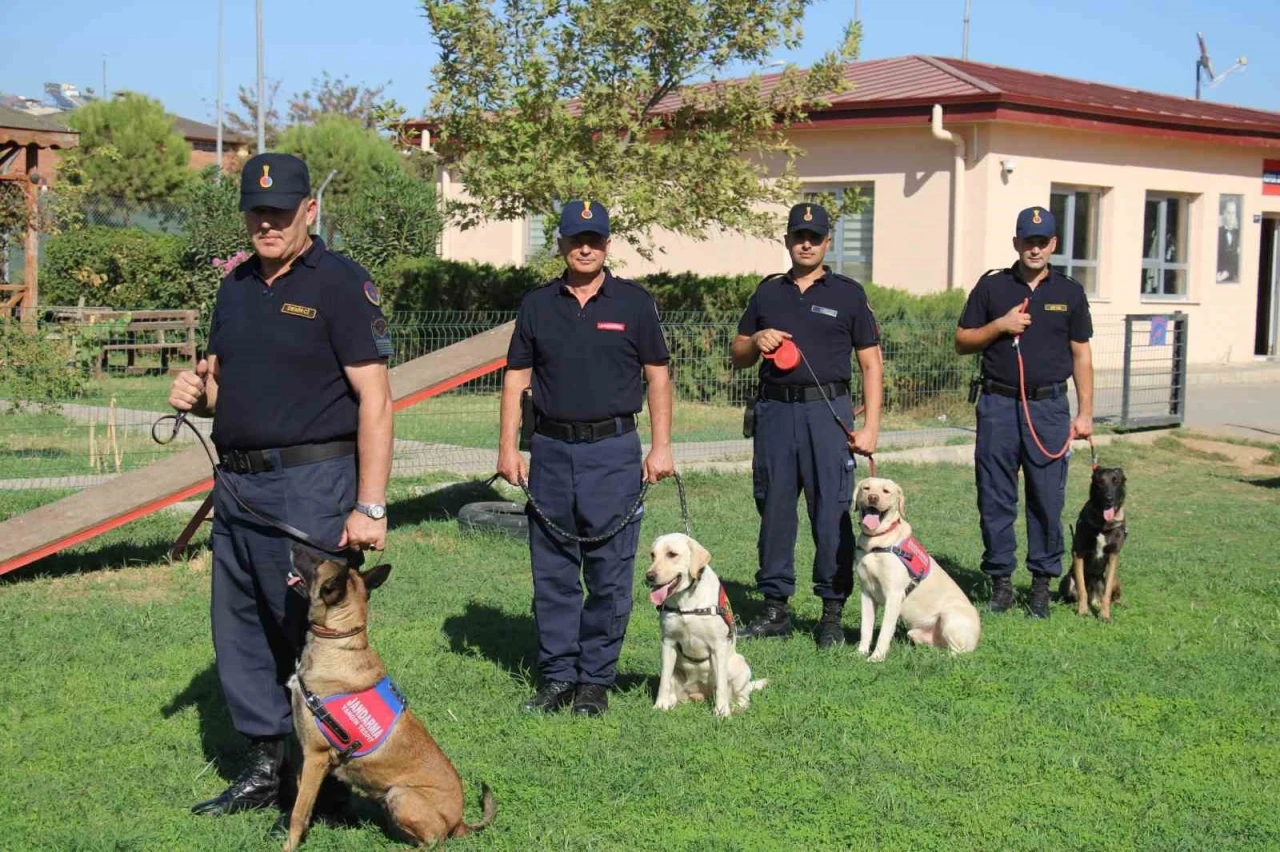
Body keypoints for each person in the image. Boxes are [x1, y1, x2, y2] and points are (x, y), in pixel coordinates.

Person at [168, 153, 394, 815]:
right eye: (256, 212)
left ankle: (339, 778)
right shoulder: (235, 287)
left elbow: (375, 401)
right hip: (237, 486)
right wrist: (197, 394)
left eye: (280, 212)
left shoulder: (341, 284)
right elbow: (222, 388)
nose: (267, 223)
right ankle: (268, 769)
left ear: (309, 212)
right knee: (240, 631)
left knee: (314, 631)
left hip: (312, 484)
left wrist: (369, 505)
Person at [496, 200, 675, 717]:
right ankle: (557, 676)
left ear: (607, 244)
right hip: (549, 450)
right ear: (560, 244)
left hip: (613, 451)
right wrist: (508, 447)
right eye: (576, 238)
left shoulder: (634, 304)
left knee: (610, 573)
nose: (585, 247)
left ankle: (595, 681)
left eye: (594, 239)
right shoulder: (536, 305)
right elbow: (515, 378)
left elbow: (658, 376)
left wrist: (660, 447)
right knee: (552, 571)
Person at [730, 202, 883, 648]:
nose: (806, 243)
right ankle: (775, 609)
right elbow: (738, 353)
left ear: (827, 243)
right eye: (799, 235)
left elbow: (871, 364)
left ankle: (831, 612)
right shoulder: (768, 293)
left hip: (827, 413)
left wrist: (870, 426)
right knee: (774, 510)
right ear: (787, 240)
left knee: (831, 511)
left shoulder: (848, 294)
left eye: (815, 237)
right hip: (775, 413)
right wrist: (756, 341)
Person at [955, 205, 1093, 619]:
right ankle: (999, 581)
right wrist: (1000, 326)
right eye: (1027, 241)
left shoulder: (1069, 292)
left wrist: (1085, 412)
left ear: (1053, 244)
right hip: (997, 404)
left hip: (1048, 407)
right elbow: (962, 340)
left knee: (1047, 497)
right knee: (995, 495)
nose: (1035, 248)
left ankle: (1040, 584)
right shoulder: (992, 287)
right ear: (1016, 243)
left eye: (1043, 242)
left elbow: (1081, 354)